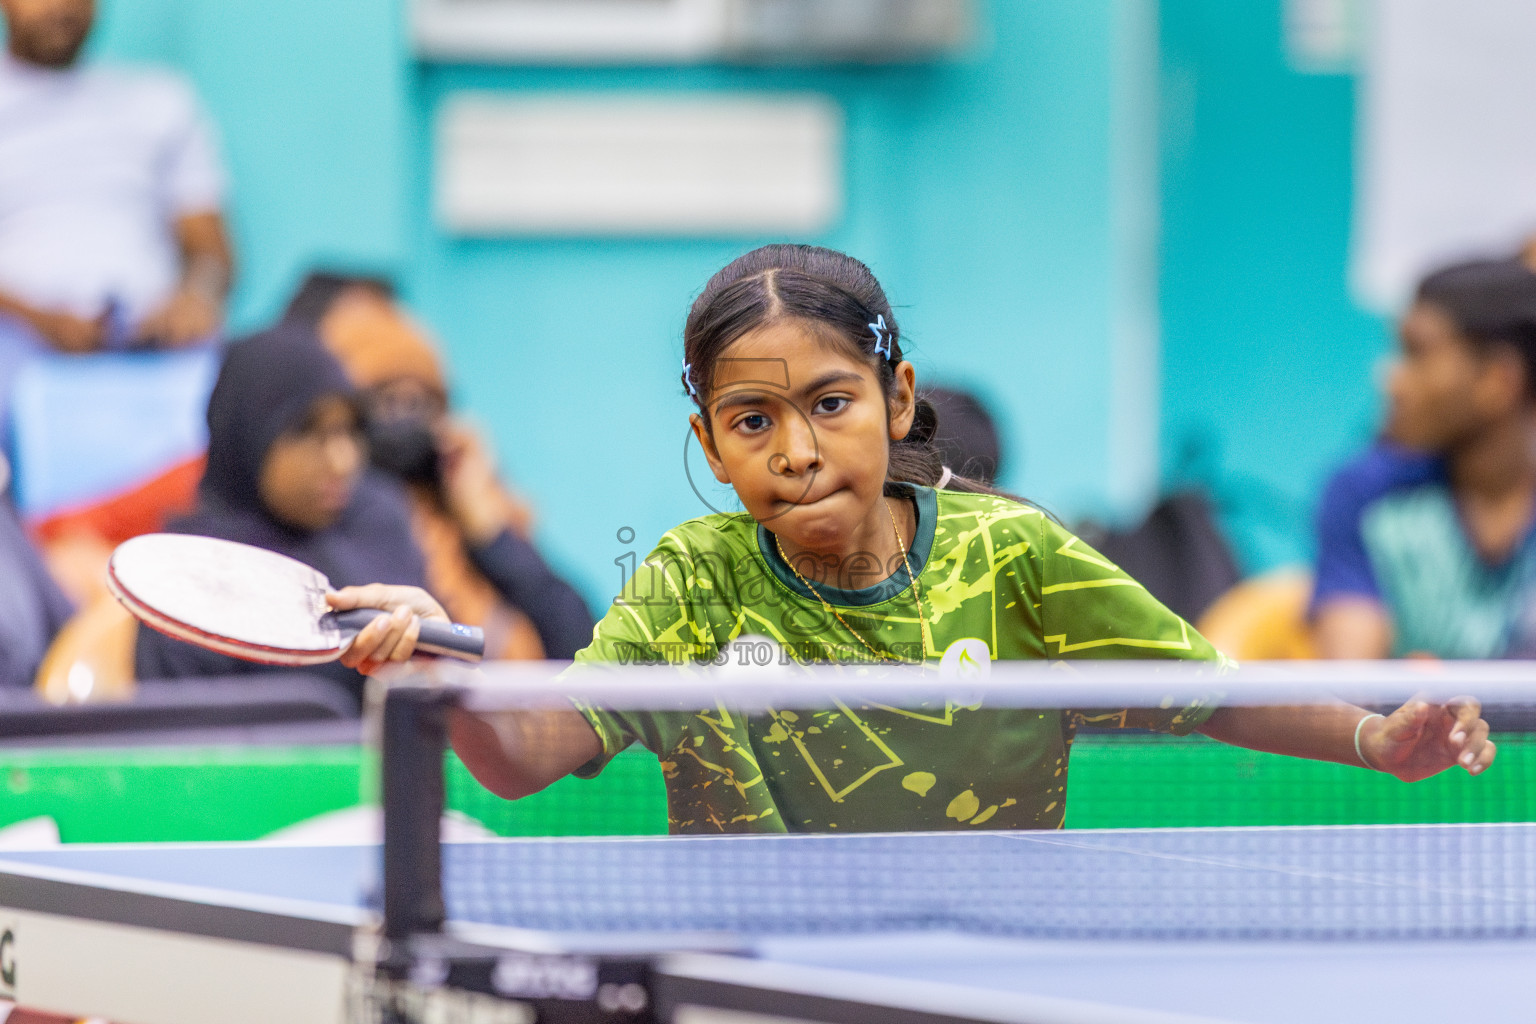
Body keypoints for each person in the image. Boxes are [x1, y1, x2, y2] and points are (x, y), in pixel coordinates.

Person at [331, 245, 1495, 834]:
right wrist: (433, 672)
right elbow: (531, 752)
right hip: (744, 980)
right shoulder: (695, 579)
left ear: (897, 401)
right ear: (712, 440)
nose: (796, 449)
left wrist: (1374, 738)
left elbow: (1208, 691)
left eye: (830, 403)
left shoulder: (1011, 555)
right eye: (752, 421)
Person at [283, 271, 594, 660]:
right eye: (385, 402)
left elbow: (582, 643)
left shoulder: (469, 511)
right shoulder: (331, 520)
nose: (404, 419)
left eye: (420, 403)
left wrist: (493, 537)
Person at [134, 324, 427, 708]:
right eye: (310, 433)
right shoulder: (191, 575)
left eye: (349, 430)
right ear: (251, 435)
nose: (343, 461)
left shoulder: (376, 522)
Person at [1312, 258, 1536, 659]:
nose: (1392, 379)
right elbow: (1351, 685)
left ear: (1497, 381)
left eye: (1417, 353)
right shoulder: (1364, 493)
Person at [0, 0, 232, 358]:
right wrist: (37, 320)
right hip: (13, 344)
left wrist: (196, 299)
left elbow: (210, 249)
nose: (63, 6)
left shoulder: (158, 100)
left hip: (148, 344)